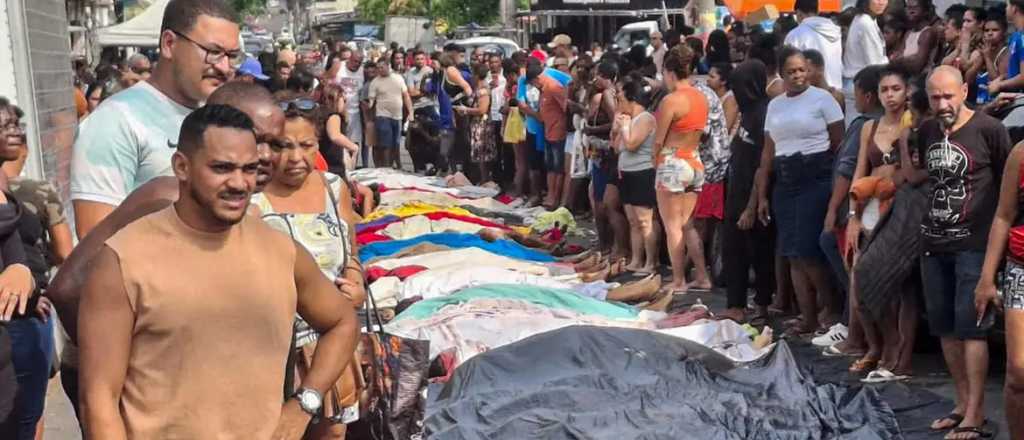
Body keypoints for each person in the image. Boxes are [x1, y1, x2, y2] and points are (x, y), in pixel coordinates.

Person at [77, 104, 360, 439]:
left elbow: (343, 323)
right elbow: (98, 399)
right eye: (222, 168)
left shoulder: (281, 251)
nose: (239, 183)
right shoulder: (124, 259)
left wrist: (303, 404)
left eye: (249, 169)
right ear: (181, 166)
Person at [50, 82, 284, 425]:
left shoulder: (241, 209)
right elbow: (66, 288)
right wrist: (132, 373)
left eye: (273, 143)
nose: (262, 155)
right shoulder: (166, 197)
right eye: (252, 136)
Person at [70, 0, 242, 238]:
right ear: (169, 44)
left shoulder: (223, 115)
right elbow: (94, 234)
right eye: (213, 52)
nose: (224, 67)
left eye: (232, 56)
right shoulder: (115, 120)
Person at [254, 93, 364, 439]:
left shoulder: (334, 188)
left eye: (306, 145)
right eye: (283, 145)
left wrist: (356, 282)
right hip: (272, 347)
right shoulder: (250, 197)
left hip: (330, 342)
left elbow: (351, 250)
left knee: (331, 433)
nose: (296, 158)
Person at [910, 66, 1009, 439]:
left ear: (965, 91)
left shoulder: (989, 130)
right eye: (935, 97)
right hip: (934, 244)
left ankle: (977, 413)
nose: (942, 104)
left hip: (974, 245)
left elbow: (1006, 189)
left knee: (972, 330)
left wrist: (995, 257)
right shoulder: (928, 131)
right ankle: (962, 403)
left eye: (949, 95)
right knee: (945, 329)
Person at [756, 46, 844, 337]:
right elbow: (768, 152)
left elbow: (838, 144)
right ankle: (806, 317)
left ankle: (829, 309)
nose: (797, 76)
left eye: (802, 70)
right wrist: (762, 193)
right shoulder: (776, 105)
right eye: (791, 71)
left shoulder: (823, 100)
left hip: (814, 176)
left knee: (808, 250)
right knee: (791, 252)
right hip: (785, 178)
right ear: (781, 74)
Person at [845, 66, 917, 377]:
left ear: (906, 92)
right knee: (859, 281)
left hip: (901, 209)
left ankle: (899, 352)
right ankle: (876, 344)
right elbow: (860, 171)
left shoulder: (913, 124)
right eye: (885, 89)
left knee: (900, 287)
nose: (890, 95)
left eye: (896, 89)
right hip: (869, 207)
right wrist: (852, 216)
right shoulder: (868, 128)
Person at [817, 65, 885, 355]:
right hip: (868, 207)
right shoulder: (876, 124)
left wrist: (835, 210)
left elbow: (847, 171)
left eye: (856, 93)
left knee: (843, 257)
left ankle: (850, 326)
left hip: (858, 207)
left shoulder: (864, 125)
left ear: (867, 96)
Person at [0, 100, 52, 439]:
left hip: (22, 324)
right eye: (5, 125)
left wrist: (24, 276)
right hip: (13, 329)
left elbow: (12, 247)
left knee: (23, 421)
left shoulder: (9, 190)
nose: (15, 130)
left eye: (17, 123)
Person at [974, 97, 1024, 440]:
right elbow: (1004, 215)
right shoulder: (1021, 153)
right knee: (1018, 373)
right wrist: (986, 278)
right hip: (1020, 269)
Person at [720, 60, 775, 324]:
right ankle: (736, 304)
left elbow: (762, 165)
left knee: (759, 252)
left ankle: (761, 304)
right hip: (736, 191)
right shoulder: (748, 112)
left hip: (751, 196)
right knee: (732, 249)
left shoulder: (763, 114)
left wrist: (751, 206)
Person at [654, 44, 706, 294]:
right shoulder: (701, 97)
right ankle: (703, 277)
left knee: (672, 226)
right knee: (688, 225)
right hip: (694, 160)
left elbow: (658, 140)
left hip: (672, 161)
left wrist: (655, 163)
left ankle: (678, 280)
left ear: (669, 71)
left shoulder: (671, 100)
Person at [613, 74, 660, 274]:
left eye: (620, 99)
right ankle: (636, 259)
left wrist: (624, 128)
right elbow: (617, 148)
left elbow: (632, 144)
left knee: (644, 220)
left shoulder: (645, 118)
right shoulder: (629, 119)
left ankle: (651, 262)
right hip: (627, 172)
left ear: (632, 100)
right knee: (633, 220)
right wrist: (618, 128)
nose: (618, 103)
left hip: (642, 172)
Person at [527, 61, 568, 210]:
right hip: (548, 131)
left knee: (557, 167)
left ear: (537, 79)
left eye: (533, 83)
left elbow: (566, 107)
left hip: (558, 131)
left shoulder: (553, 87)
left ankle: (555, 198)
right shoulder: (544, 89)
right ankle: (551, 195)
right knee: (550, 166)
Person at [843, 0, 889, 125]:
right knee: (860, 132)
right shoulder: (865, 23)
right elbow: (874, 64)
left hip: (859, 85)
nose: (881, 2)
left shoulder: (868, 20)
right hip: (862, 86)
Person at [784, 0, 843, 90]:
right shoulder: (834, 31)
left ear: (799, 13)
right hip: (836, 88)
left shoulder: (795, 35)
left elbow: (788, 66)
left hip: (811, 92)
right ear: (817, 11)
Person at [367, 59, 413, 169]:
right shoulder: (375, 82)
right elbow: (371, 101)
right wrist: (368, 108)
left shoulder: (398, 78)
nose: (379, 70)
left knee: (396, 144)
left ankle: (395, 164)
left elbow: (406, 96)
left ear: (388, 66)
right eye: (378, 68)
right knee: (385, 144)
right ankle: (386, 167)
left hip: (397, 116)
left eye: (381, 67)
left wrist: (410, 111)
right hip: (382, 116)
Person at [457, 65, 496, 184]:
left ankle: (485, 179)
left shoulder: (483, 91)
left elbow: (482, 109)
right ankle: (482, 179)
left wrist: (466, 110)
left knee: (482, 155)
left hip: (482, 126)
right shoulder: (477, 89)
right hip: (475, 124)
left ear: (477, 75)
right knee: (478, 154)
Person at [335, 51, 366, 168]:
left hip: (355, 112)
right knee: (340, 141)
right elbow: (327, 79)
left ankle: (352, 167)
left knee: (354, 143)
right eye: (354, 61)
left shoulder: (362, 71)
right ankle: (341, 165)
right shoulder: (339, 66)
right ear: (349, 58)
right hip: (339, 111)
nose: (356, 64)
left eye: (359, 62)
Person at [971, 12, 1009, 106]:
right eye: (986, 30)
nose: (990, 33)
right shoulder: (983, 51)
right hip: (979, 105)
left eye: (995, 30)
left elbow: (997, 83)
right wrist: (980, 60)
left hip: (997, 107)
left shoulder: (1006, 53)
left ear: (1004, 31)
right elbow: (968, 80)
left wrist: (987, 58)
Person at [321, 86, 360, 175]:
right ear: (336, 99)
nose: (345, 104)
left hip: (325, 162)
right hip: (333, 165)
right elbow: (335, 136)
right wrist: (353, 146)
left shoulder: (321, 113)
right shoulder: (334, 116)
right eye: (344, 100)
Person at [989, 0, 1024, 96]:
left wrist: (1000, 85)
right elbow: (1013, 71)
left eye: (1007, 5)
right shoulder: (1016, 36)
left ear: (1014, 9)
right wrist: (999, 80)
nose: (1005, 9)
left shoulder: (1023, 37)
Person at [900, 0, 940, 74]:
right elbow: (897, 56)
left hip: (919, 78)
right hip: (905, 74)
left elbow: (917, 66)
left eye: (915, 7)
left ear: (925, 11)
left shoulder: (928, 33)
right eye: (908, 7)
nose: (911, 11)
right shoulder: (908, 33)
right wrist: (909, 59)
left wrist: (901, 60)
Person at [708, 63, 738, 138]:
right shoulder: (713, 96)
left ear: (723, 81)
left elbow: (725, 129)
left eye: (712, 77)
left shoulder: (730, 100)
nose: (708, 79)